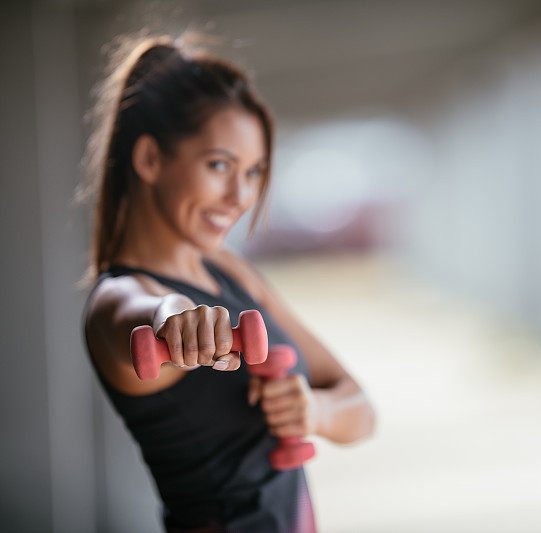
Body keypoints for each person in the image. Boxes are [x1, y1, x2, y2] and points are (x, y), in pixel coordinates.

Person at [79, 33, 376, 533]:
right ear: (150, 159)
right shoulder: (115, 300)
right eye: (219, 165)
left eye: (254, 172)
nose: (239, 196)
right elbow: (144, 312)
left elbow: (360, 408)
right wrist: (176, 320)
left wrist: (314, 410)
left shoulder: (230, 272)